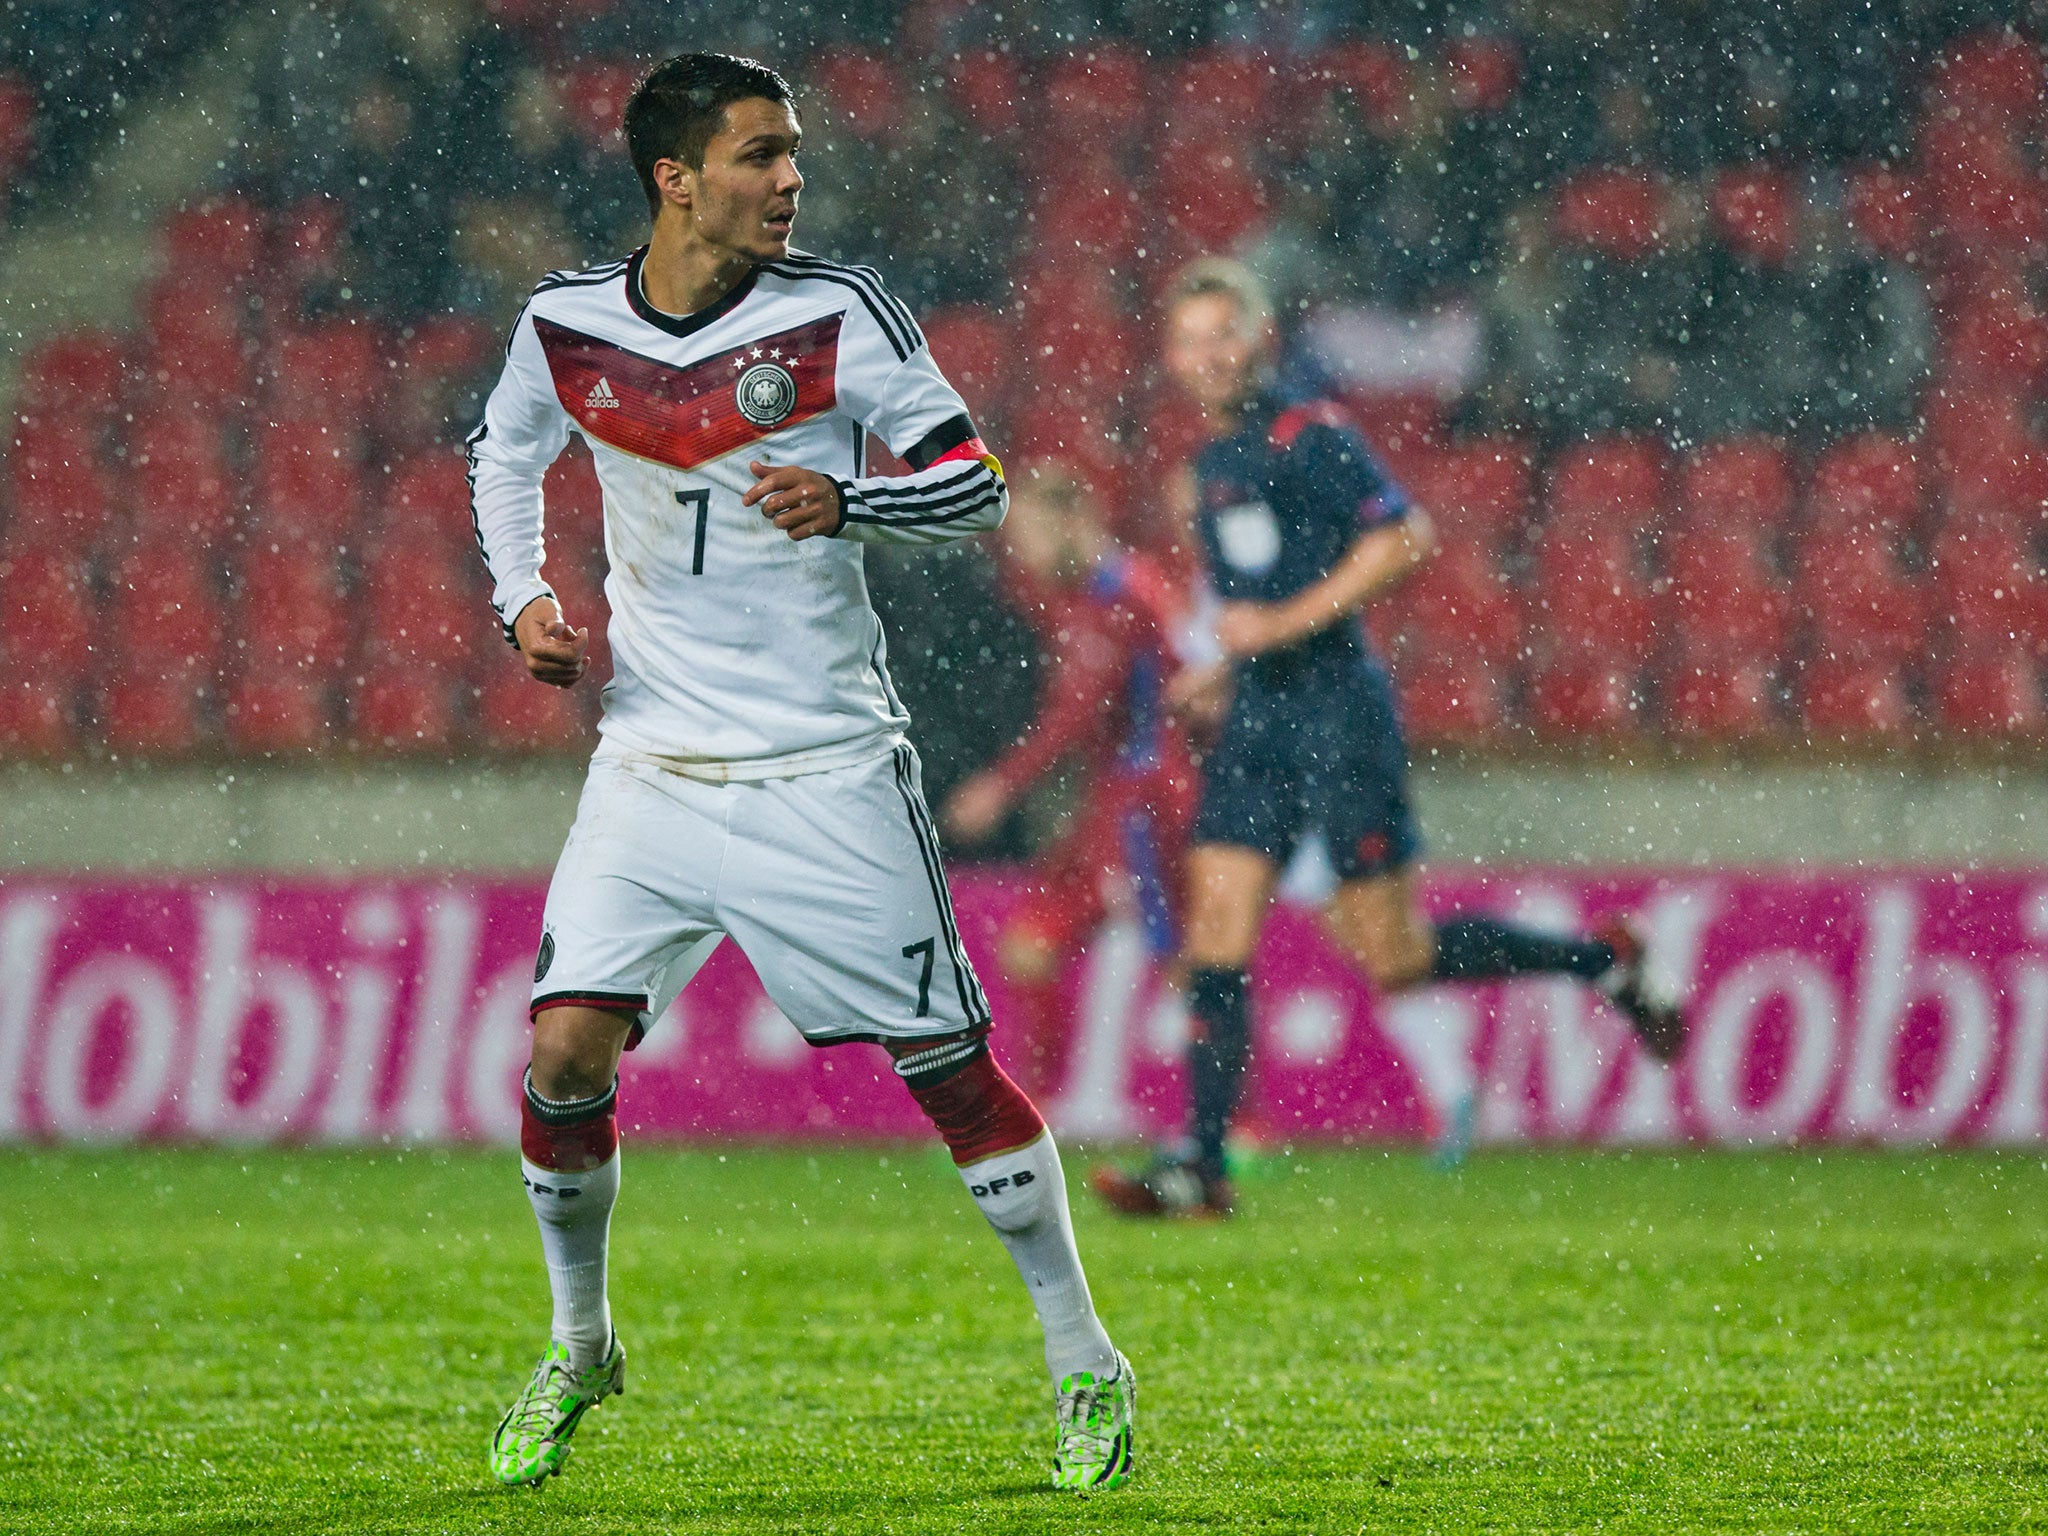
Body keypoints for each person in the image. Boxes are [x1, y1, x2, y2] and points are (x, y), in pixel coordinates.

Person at [463, 54, 1132, 1492]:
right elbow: (502, 456)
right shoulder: (565, 326)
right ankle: (581, 1344)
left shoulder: (837, 315)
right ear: (675, 178)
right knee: (564, 1052)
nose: (789, 180)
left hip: (827, 764)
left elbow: (975, 487)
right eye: (761, 155)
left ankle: (1085, 1360)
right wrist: (522, 597)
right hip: (650, 756)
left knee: (950, 1075)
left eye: (795, 156)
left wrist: (854, 500)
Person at [1091, 259, 1688, 1220]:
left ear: (1261, 336)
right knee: (1218, 927)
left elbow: (1405, 538)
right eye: (1190, 341)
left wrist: (1281, 628)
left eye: (1223, 334)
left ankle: (1606, 964)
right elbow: (1253, 599)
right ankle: (1203, 1163)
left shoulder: (1310, 434)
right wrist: (1224, 668)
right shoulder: (1210, 468)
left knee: (1393, 955)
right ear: (1171, 358)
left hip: (1339, 715)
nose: (1208, 356)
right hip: (1260, 718)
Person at [940, 466, 1198, 1096]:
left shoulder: (1127, 594)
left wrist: (1003, 784)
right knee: (1032, 945)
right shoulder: (1087, 598)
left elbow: (1078, 713)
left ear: (1070, 524)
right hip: (1115, 801)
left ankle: (1231, 1124)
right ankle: (1047, 1102)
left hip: (1150, 802)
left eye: (1027, 535)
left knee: (1186, 962)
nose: (1020, 555)